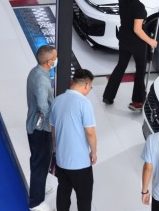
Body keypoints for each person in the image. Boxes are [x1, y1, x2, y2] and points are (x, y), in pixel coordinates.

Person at [102, 0, 158, 110]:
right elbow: (137, 29)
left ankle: (108, 96)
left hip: (124, 39)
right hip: (137, 43)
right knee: (140, 70)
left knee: (121, 66)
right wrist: (151, 41)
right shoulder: (139, 7)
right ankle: (137, 101)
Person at [49, 69, 98, 211]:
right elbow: (90, 132)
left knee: (63, 192)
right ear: (87, 85)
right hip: (80, 162)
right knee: (84, 198)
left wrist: (55, 149)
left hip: (61, 160)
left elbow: (53, 129)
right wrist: (94, 152)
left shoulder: (57, 100)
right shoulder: (84, 103)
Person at [26, 45, 57, 211]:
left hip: (34, 126)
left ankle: (38, 186)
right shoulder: (42, 80)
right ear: (49, 61)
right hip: (40, 129)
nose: (56, 60)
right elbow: (42, 107)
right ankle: (36, 202)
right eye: (55, 57)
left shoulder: (35, 72)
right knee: (40, 161)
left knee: (39, 161)